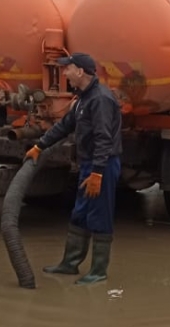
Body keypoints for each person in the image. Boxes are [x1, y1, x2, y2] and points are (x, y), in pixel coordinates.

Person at [24, 53, 122, 285]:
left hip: (104, 165)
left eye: (68, 69)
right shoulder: (83, 99)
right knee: (80, 212)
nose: (65, 73)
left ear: (80, 71)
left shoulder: (100, 100)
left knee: (99, 215)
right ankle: (70, 264)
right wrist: (40, 145)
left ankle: (99, 271)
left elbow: (103, 138)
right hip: (89, 164)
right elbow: (64, 126)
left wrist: (98, 172)